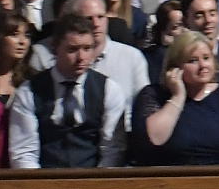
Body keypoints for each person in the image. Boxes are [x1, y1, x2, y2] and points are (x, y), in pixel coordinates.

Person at [8, 17, 132, 168]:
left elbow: (112, 150)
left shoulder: (108, 89)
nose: (81, 57)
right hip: (45, 178)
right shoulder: (30, 91)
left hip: (94, 178)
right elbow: (24, 153)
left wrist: (98, 180)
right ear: (55, 48)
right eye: (72, 49)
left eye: (87, 48)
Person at [132, 29, 219, 165]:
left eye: (206, 58)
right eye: (193, 60)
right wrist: (178, 96)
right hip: (172, 174)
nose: (202, 65)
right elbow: (154, 139)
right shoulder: (154, 95)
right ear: (175, 67)